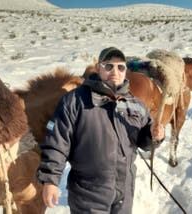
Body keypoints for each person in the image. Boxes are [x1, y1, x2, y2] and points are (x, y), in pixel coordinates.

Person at [37, 47, 165, 213]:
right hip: (88, 194)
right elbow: (56, 143)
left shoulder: (136, 104)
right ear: (98, 68)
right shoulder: (74, 101)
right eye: (108, 66)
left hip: (124, 193)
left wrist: (154, 135)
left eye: (120, 67)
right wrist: (50, 181)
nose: (115, 72)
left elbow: (144, 142)